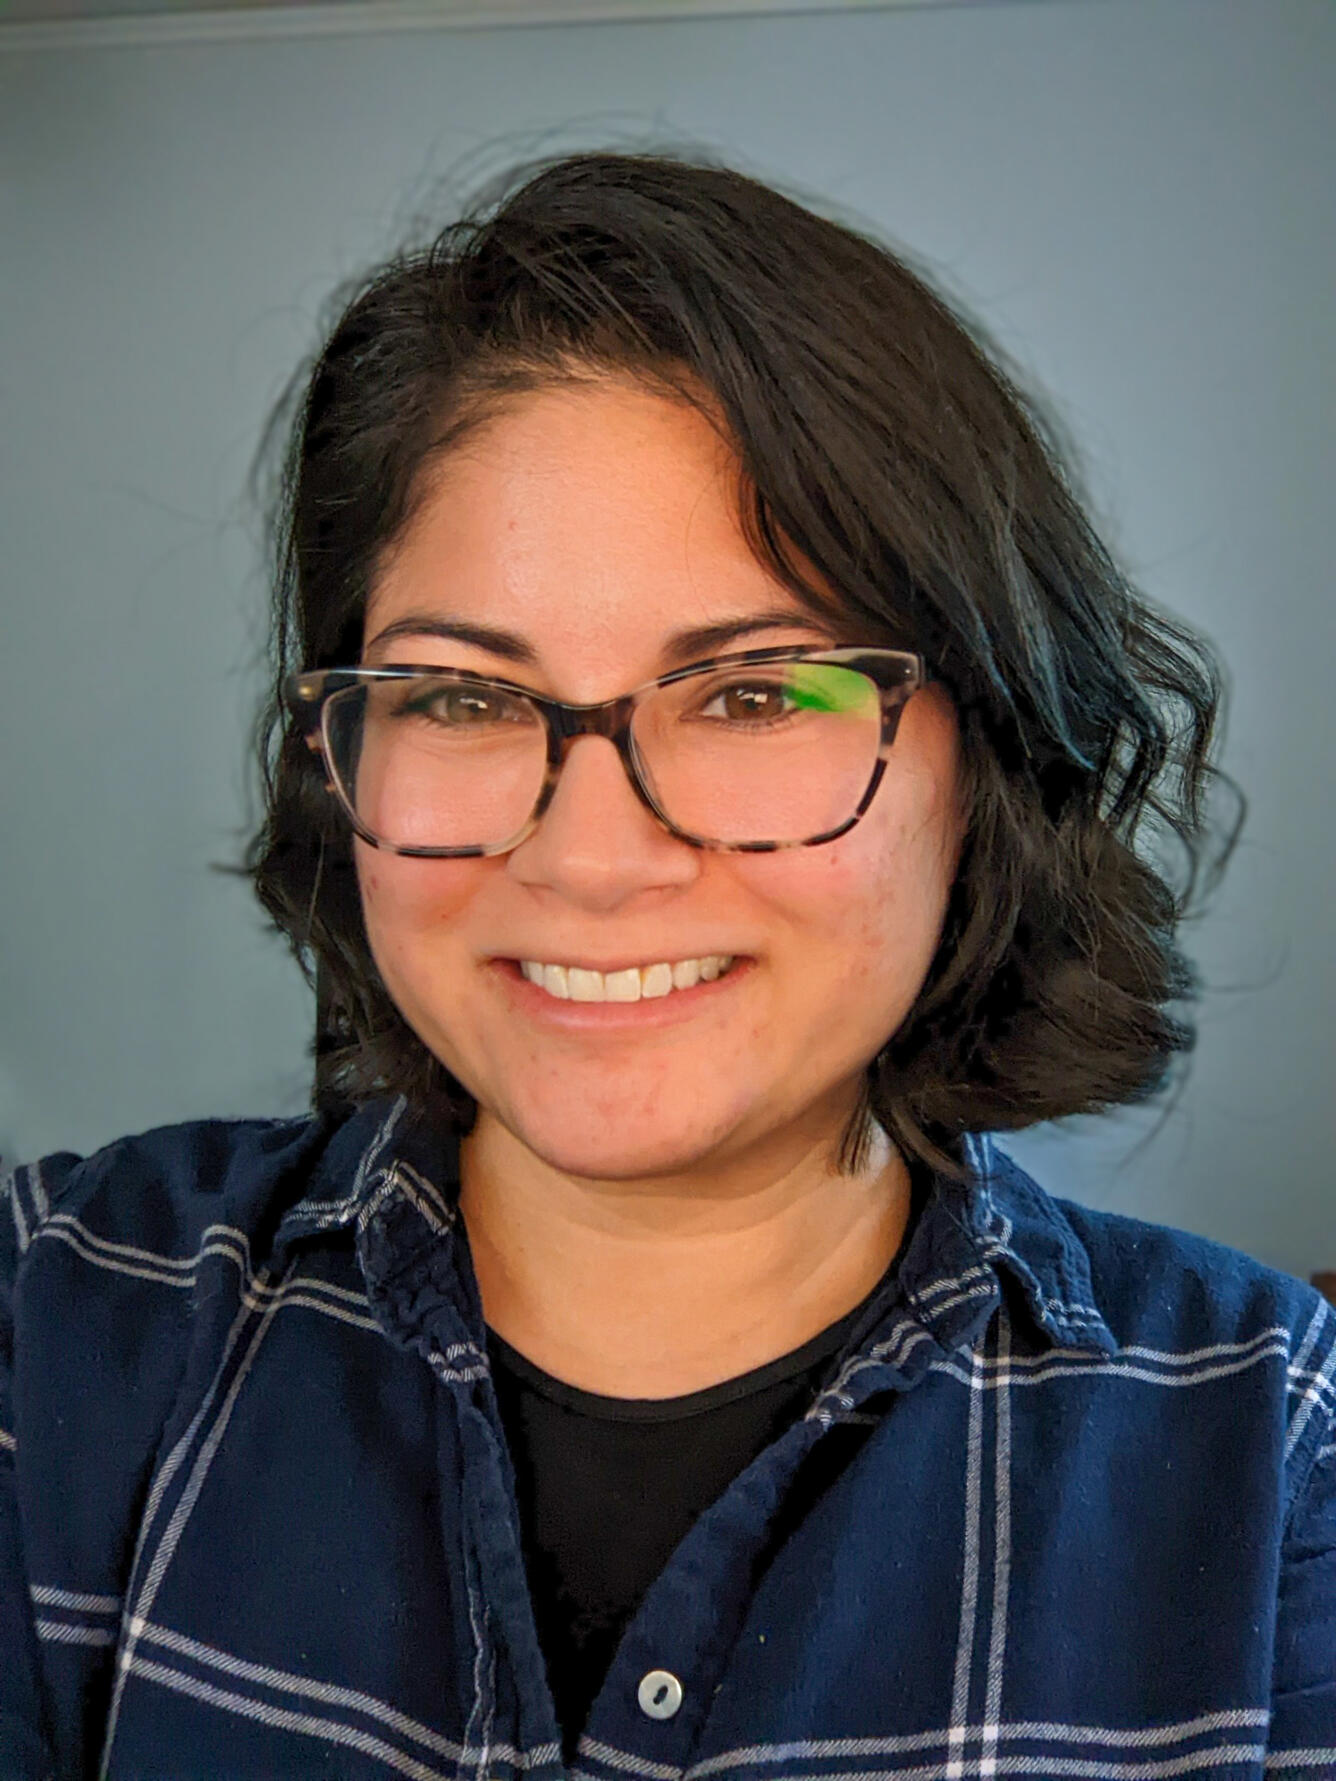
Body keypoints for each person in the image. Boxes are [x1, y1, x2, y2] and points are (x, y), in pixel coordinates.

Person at [2, 150, 1332, 1780]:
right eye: (467, 699)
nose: (589, 855)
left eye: (757, 695)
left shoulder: (1275, 1454)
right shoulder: (59, 1309)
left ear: (983, 762)